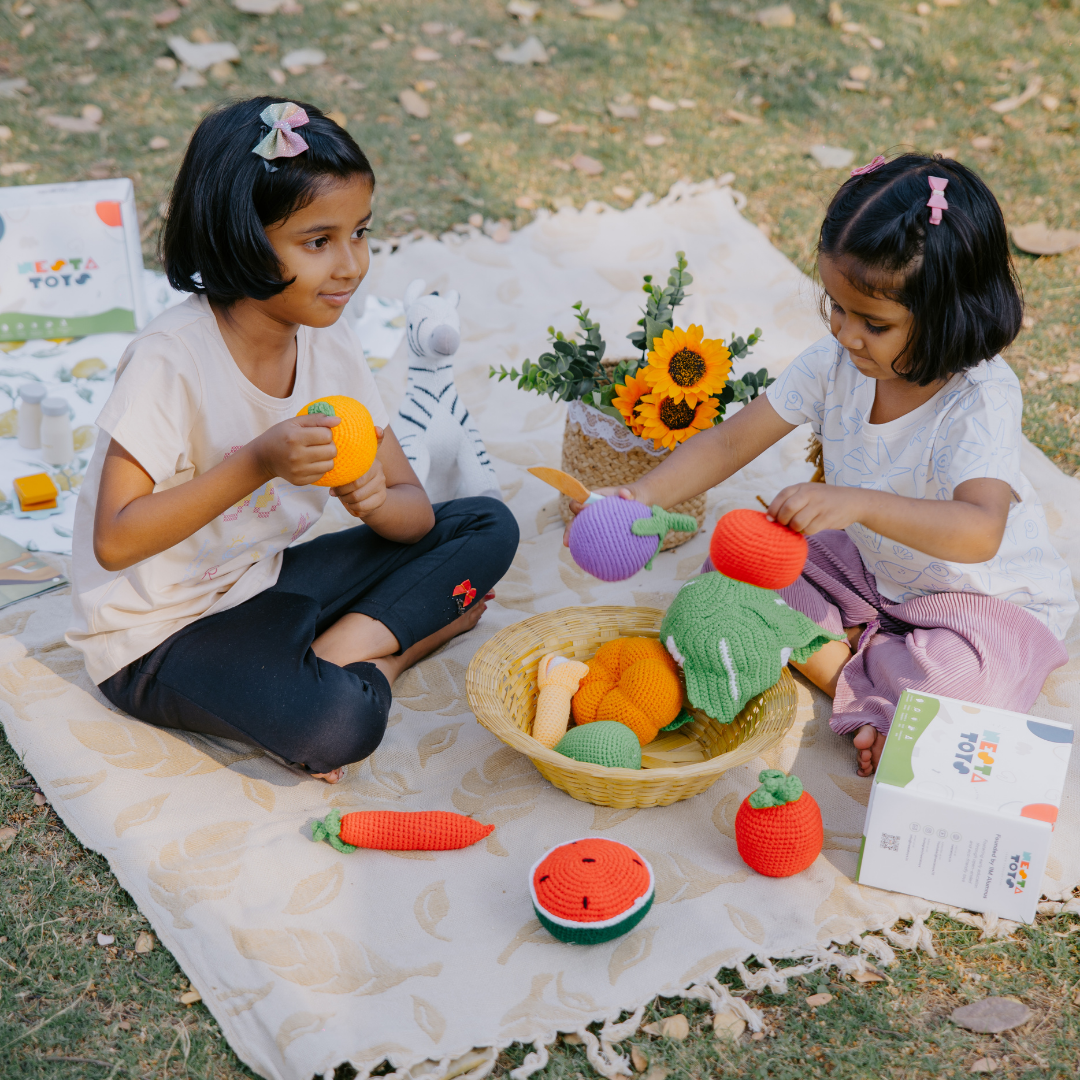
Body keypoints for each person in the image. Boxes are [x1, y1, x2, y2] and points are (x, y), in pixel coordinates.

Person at [567, 153, 1076, 777]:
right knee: (733, 570)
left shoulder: (981, 397)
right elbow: (731, 444)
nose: (847, 333)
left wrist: (856, 502)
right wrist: (639, 497)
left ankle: (843, 668)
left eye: (875, 323)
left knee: (969, 698)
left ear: (951, 314)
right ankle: (872, 680)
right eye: (835, 307)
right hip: (865, 568)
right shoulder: (836, 362)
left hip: (977, 600)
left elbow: (979, 530)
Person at [67, 98, 518, 783]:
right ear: (238, 238)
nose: (351, 266)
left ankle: (337, 651)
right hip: (159, 637)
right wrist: (258, 461)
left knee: (487, 522)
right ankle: (388, 653)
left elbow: (415, 513)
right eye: (318, 242)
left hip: (266, 580)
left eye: (360, 232)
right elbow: (116, 539)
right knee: (340, 723)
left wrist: (370, 501)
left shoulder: (328, 340)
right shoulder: (170, 359)